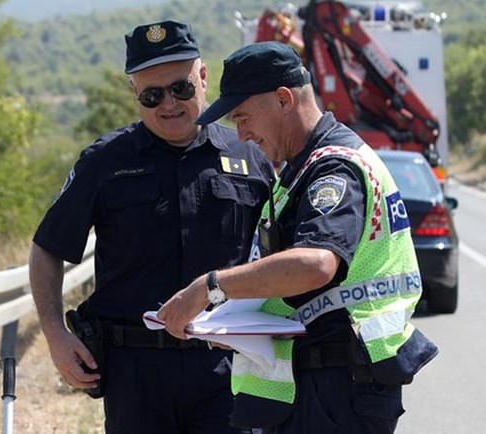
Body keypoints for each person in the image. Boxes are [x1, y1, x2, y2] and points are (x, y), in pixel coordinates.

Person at [157, 41, 438, 434]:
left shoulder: (332, 170)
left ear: (284, 99)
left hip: (334, 390)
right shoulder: (302, 168)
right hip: (325, 385)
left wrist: (210, 289)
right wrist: (237, 326)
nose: (242, 134)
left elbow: (315, 264)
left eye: (243, 117)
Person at [29, 21, 275, 433]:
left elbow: (281, 255)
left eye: (180, 88)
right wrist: (55, 335)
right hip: (135, 375)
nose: (169, 104)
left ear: (203, 77)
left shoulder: (250, 157)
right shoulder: (104, 163)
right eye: (151, 95)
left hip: (227, 366)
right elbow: (47, 248)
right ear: (134, 94)